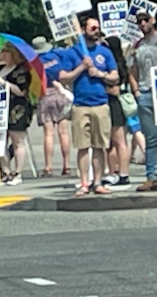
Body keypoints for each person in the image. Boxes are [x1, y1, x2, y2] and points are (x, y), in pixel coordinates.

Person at [59, 16, 119, 196]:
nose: (96, 31)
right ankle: (84, 182)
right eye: (93, 28)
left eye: (98, 28)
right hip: (80, 105)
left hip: (101, 104)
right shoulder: (72, 53)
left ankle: (98, 182)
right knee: (83, 146)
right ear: (83, 30)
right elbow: (63, 77)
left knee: (99, 145)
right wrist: (81, 68)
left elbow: (115, 76)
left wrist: (99, 73)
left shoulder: (105, 52)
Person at [127, 11, 157, 192]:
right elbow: (132, 69)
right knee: (151, 138)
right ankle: (151, 177)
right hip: (145, 93)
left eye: (146, 20)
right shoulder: (136, 45)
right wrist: (136, 90)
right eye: (140, 22)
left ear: (153, 20)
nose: (143, 23)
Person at [0, 42, 34, 185]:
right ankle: (6, 171)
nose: (1, 55)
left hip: (16, 109)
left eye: (5, 52)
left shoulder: (21, 70)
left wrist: (4, 83)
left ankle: (18, 172)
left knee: (17, 141)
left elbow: (21, 91)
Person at [32, 37, 72, 177]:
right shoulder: (57, 55)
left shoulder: (34, 62)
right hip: (61, 92)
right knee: (64, 132)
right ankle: (66, 165)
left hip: (45, 94)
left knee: (49, 133)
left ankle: (48, 167)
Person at [102, 36, 132, 187]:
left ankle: (123, 173)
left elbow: (115, 89)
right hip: (111, 104)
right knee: (110, 143)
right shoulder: (121, 63)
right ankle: (112, 172)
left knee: (119, 141)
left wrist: (103, 81)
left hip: (114, 103)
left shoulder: (116, 66)